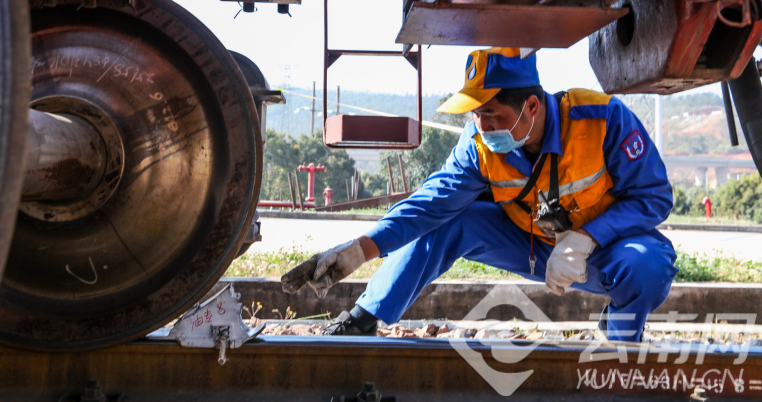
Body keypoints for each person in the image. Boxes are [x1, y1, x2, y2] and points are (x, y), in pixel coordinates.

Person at [281, 47, 677, 341]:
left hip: (599, 252)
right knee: (448, 220)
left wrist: (587, 238)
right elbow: (430, 204)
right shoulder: (480, 145)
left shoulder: (602, 120)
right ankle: (363, 318)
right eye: (476, 114)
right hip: (530, 245)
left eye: (492, 114)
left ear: (532, 106)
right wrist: (360, 249)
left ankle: (619, 350)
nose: (482, 126)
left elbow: (654, 198)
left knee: (649, 267)